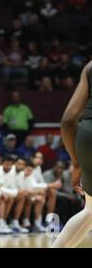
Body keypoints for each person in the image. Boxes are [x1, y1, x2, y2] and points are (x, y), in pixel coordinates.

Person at [53, 61, 92, 247]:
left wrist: (76, 163)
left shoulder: (90, 67)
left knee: (91, 210)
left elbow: (68, 121)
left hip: (87, 137)